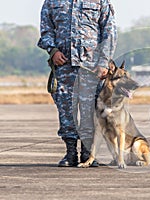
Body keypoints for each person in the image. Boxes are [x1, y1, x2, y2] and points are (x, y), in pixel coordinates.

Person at [37, 0, 117, 167]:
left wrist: (103, 62)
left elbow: (109, 32)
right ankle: (70, 153)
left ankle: (89, 154)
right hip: (64, 66)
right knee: (66, 110)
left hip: (92, 68)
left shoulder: (100, 1)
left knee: (90, 110)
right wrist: (53, 51)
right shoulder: (52, 2)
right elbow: (46, 29)